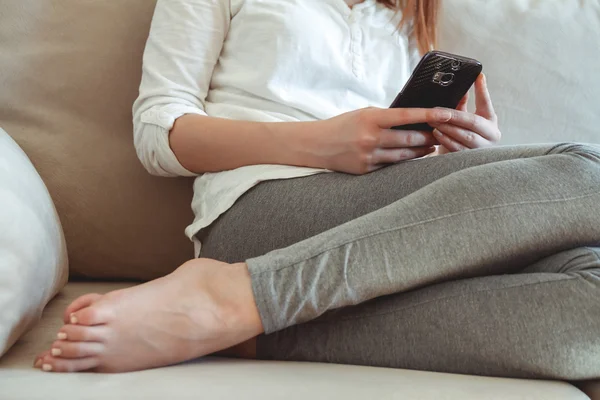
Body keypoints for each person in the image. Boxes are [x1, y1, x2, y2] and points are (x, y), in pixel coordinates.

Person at [34, 0, 600, 379]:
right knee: (587, 171)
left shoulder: (405, 16)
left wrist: (468, 162)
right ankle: (239, 294)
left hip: (382, 220)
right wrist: (321, 143)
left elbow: (396, 153)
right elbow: (158, 131)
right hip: (262, 207)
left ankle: (249, 328)